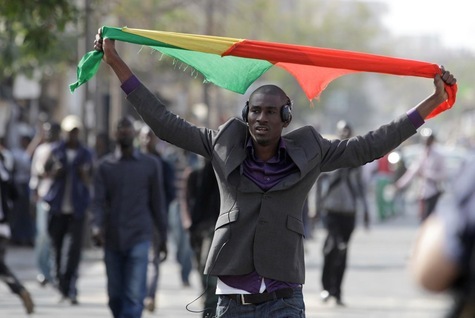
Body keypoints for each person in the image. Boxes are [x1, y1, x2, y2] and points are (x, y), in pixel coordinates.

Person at [94, 30, 457, 317]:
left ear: (286, 117)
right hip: (231, 302)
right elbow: (164, 123)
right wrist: (116, 64)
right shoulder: (222, 144)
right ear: (245, 115)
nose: (261, 118)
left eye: (271, 112)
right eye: (255, 111)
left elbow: (370, 146)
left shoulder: (312, 150)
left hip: (284, 300)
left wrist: (430, 103)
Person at [91, 116, 168, 318]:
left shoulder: (151, 165)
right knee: (115, 297)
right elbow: (97, 202)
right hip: (113, 239)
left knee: (134, 296)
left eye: (128, 129)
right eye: (120, 129)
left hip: (139, 238)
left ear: (134, 134)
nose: (124, 132)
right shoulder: (104, 166)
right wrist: (96, 226)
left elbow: (158, 204)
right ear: (115, 134)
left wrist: (163, 238)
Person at [411, 152, 475, 318]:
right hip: (423, 196)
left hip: (433, 196)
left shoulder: (440, 158)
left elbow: (430, 275)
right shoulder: (421, 157)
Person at [316, 120, 370, 306]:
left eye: (348, 131)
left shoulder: (357, 158)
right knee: (331, 247)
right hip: (331, 210)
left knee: (343, 251)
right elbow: (317, 183)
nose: (345, 133)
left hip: (349, 211)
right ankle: (325, 287)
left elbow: (361, 187)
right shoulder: (328, 154)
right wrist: (316, 208)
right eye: (342, 131)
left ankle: (337, 292)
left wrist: (366, 211)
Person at [43, 115, 93, 304]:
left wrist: (84, 175)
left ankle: (71, 287)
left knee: (73, 252)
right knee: (56, 249)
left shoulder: (86, 154)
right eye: (70, 131)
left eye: (75, 132)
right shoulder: (55, 151)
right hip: (57, 208)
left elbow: (91, 180)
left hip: (77, 209)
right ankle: (62, 286)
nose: (72, 135)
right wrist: (54, 172)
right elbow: (43, 172)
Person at [138, 125, 175, 313]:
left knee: (153, 260)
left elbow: (169, 193)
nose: (147, 140)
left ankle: (149, 296)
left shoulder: (163, 165)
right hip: (134, 220)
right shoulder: (132, 162)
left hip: (155, 219)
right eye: (144, 137)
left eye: (150, 137)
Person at [0, 141, 35, 314]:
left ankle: (19, 290)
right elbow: (15, 194)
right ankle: (20, 290)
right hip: (3, 226)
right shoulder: (3, 166)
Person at [185, 159, 220, 317]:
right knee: (204, 272)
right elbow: (198, 200)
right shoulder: (198, 174)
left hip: (222, 230)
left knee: (210, 275)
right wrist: (193, 228)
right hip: (205, 230)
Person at [29, 121, 61, 287]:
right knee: (42, 236)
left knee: (55, 237)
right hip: (43, 198)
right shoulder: (41, 150)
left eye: (52, 131)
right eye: (47, 132)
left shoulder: (61, 149)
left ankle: (55, 271)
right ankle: (43, 271)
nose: (49, 135)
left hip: (58, 199)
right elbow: (35, 175)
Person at [396, 132, 446, 222]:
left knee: (430, 218)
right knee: (423, 218)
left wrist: (427, 174)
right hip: (422, 192)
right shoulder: (421, 155)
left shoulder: (438, 156)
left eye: (428, 139)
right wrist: (399, 184)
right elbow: (411, 172)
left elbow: (443, 174)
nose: (426, 142)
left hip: (433, 191)